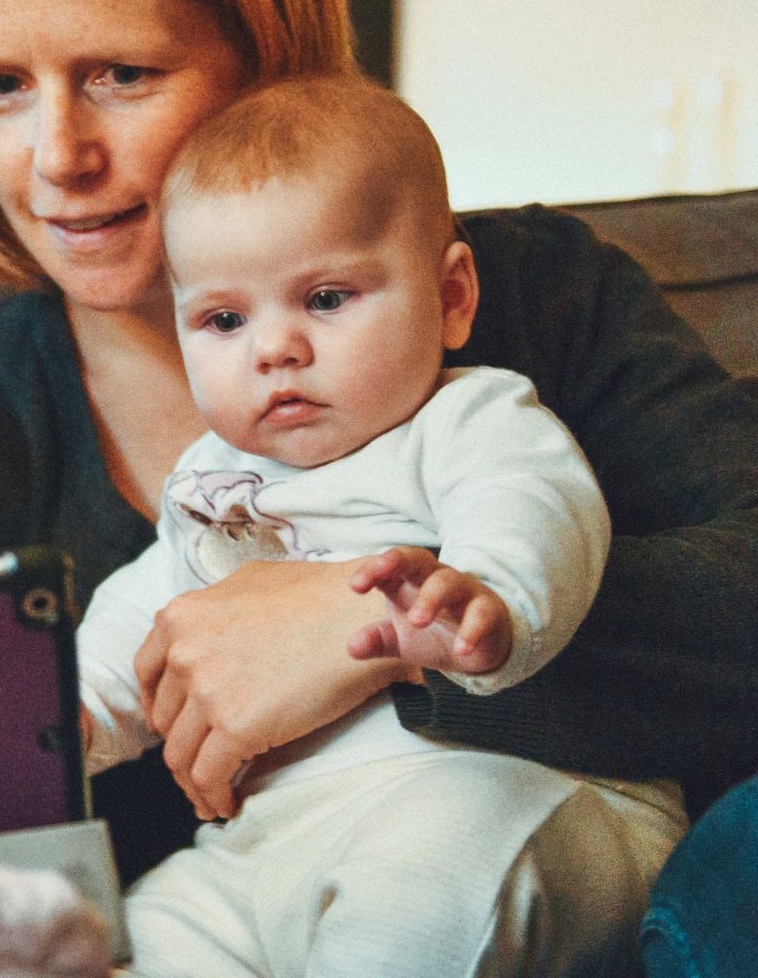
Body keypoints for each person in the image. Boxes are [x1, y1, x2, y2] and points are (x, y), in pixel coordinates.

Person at [0, 0, 758, 969]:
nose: (59, 154)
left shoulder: (532, 298)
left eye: (121, 74)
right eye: (2, 85)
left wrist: (357, 626)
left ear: (264, 50)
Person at [62, 74, 680, 974]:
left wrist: (488, 596)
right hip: (274, 840)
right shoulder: (211, 481)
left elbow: (534, 504)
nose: (275, 348)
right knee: (158, 925)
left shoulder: (466, 419)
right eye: (225, 319)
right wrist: (68, 716)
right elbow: (147, 617)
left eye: (325, 299)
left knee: (421, 891)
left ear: (452, 298)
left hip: (505, 797)